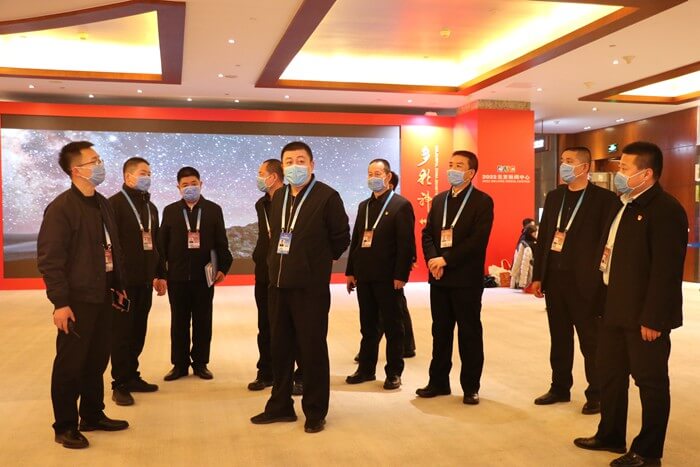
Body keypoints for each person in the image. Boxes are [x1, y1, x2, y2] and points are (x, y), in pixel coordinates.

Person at [574, 141, 688, 466]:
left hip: (644, 316)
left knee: (650, 382)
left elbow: (666, 272)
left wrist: (654, 318)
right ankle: (610, 434)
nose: (619, 173)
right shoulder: (623, 204)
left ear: (646, 173)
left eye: (625, 168)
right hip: (613, 307)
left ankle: (648, 451)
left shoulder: (665, 210)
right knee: (610, 374)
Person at [251, 141, 350, 434]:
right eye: (289, 161)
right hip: (278, 285)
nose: (295, 166)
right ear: (283, 167)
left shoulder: (327, 196)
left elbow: (340, 239)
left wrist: (313, 262)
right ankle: (280, 406)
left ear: (312, 164)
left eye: (300, 160)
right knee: (280, 348)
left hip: (310, 288)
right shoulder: (280, 196)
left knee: (311, 350)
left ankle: (315, 411)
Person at [38, 141, 129, 449]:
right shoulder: (61, 208)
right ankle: (65, 426)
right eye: (94, 161)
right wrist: (60, 303)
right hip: (77, 300)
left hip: (103, 294)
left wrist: (118, 284)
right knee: (70, 364)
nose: (101, 165)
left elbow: (112, 248)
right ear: (76, 170)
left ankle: (92, 414)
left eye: (100, 159)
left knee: (97, 359)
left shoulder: (102, 203)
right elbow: (50, 260)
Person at [531, 146, 618, 415]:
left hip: (586, 283)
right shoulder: (554, 196)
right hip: (555, 280)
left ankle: (597, 393)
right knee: (559, 338)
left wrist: (601, 280)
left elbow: (608, 243)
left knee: (591, 341)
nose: (563, 166)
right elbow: (544, 238)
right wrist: (538, 276)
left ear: (585, 167)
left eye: (569, 161)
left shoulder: (605, 200)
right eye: (562, 161)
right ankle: (559, 387)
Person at [416, 150, 493, 405]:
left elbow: (477, 241)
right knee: (440, 331)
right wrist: (433, 259)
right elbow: (427, 234)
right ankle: (438, 382)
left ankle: (471, 387)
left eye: (459, 166)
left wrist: (446, 260)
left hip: (466, 279)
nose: (452, 169)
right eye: (450, 164)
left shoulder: (482, 201)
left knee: (469, 333)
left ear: (470, 173)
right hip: (439, 277)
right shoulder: (439, 200)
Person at [345, 159, 415, 390]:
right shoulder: (364, 206)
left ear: (388, 176)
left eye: (377, 173)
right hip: (364, 275)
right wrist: (350, 271)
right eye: (369, 173)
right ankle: (366, 370)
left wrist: (401, 275)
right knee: (368, 326)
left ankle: (394, 373)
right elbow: (357, 240)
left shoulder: (401, 205)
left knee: (394, 327)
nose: (372, 177)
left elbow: (406, 244)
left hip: (388, 277)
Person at [158, 166, 233, 381]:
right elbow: (161, 246)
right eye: (185, 185)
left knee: (203, 321)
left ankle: (201, 363)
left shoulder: (213, 209)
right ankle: (179, 365)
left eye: (193, 184)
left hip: (204, 278)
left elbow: (221, 242)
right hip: (177, 277)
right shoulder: (170, 210)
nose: (189, 188)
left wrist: (222, 268)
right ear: (178, 187)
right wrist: (161, 274)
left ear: (201, 184)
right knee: (179, 323)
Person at [108, 157, 166, 406]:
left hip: (144, 281)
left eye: (149, 173)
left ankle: (132, 375)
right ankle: (119, 383)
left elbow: (156, 243)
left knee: (138, 331)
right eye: (143, 173)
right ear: (128, 176)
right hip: (123, 284)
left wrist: (160, 274)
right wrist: (114, 282)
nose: (147, 177)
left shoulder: (150, 207)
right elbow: (109, 246)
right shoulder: (113, 205)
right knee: (121, 333)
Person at [248, 159, 303, 394]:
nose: (259, 177)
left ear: (273, 177)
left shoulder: (294, 200)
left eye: (261, 173)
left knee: (295, 327)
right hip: (264, 272)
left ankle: (300, 375)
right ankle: (266, 372)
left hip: (289, 272)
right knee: (266, 325)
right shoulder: (261, 204)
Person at [510, 223, 537, 289]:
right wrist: (522, 282)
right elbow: (521, 262)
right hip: (529, 266)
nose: (536, 234)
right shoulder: (525, 244)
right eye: (534, 233)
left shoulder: (527, 241)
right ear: (530, 233)